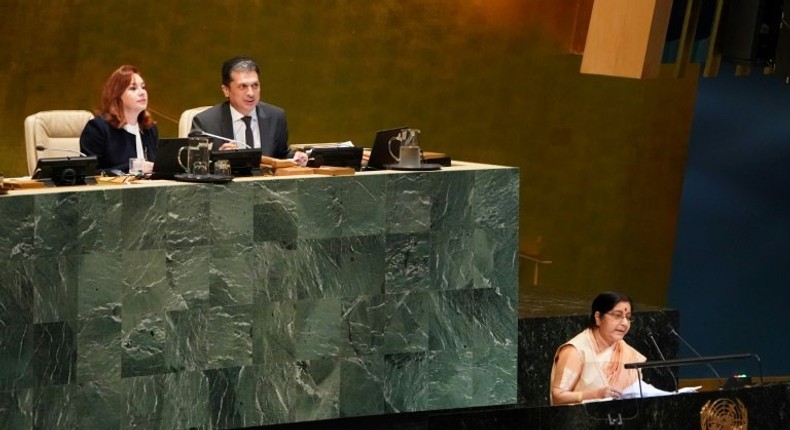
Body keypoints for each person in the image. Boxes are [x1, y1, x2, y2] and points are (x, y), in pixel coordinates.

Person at [190, 56, 307, 166]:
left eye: (255, 85)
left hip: (266, 185)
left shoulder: (276, 117)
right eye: (243, 86)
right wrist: (218, 159)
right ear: (226, 90)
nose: (251, 93)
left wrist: (296, 157)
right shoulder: (205, 123)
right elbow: (194, 165)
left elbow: (280, 155)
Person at [550, 291, 646, 405]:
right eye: (617, 315)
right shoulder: (576, 351)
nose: (625, 323)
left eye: (628, 317)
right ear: (598, 317)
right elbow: (558, 396)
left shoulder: (629, 354)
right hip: (580, 419)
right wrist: (595, 395)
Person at [80, 65, 158, 174]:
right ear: (117, 95)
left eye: (143, 87)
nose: (142, 92)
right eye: (133, 88)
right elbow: (89, 173)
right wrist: (133, 168)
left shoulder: (149, 129)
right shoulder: (97, 129)